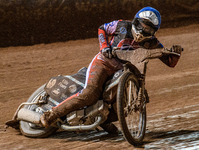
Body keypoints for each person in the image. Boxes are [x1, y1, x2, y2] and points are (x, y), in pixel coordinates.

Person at [40, 7, 182, 133]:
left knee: (124, 105)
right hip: (104, 62)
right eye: (142, 25)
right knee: (90, 94)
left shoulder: (153, 42)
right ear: (135, 21)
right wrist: (104, 47)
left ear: (153, 32)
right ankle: (51, 114)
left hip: (123, 72)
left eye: (148, 29)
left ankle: (103, 120)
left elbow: (170, 62)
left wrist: (175, 53)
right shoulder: (122, 25)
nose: (143, 30)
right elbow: (102, 28)